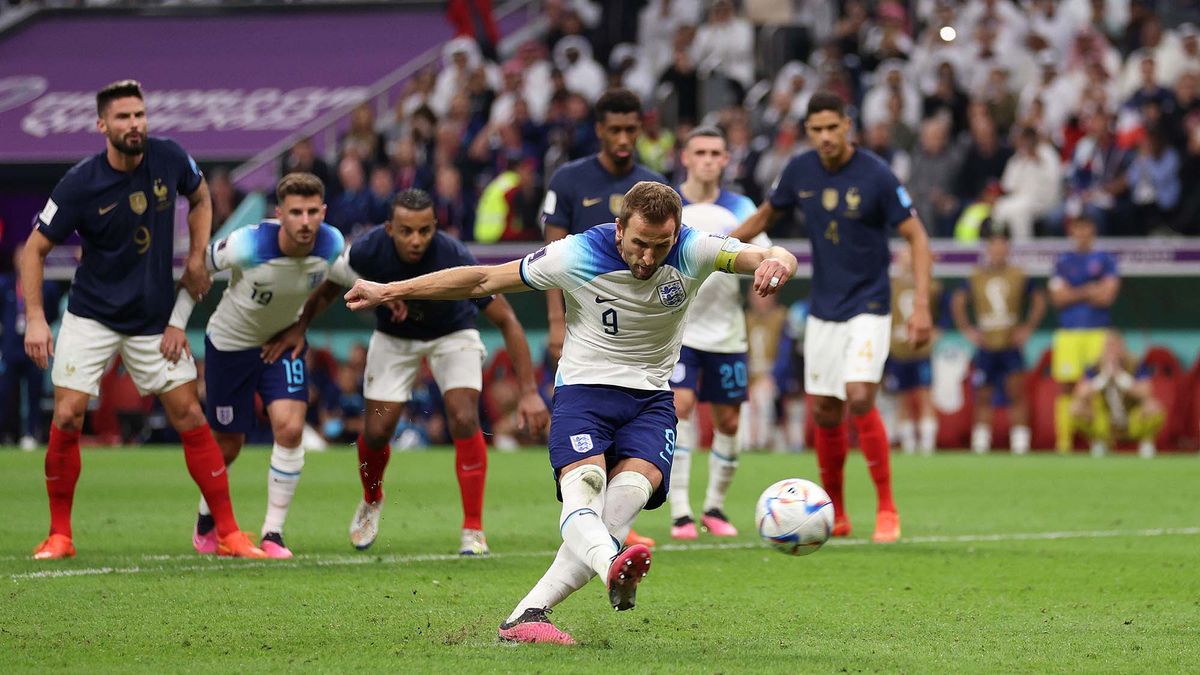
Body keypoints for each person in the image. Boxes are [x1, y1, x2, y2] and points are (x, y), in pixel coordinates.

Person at [342, 181, 798, 645]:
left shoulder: (693, 248)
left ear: (676, 233)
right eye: (639, 243)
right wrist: (388, 290)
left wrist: (779, 261)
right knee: (588, 491)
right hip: (585, 393)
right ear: (619, 229)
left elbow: (769, 254)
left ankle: (526, 615)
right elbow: (482, 279)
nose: (647, 257)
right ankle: (610, 567)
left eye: (660, 245)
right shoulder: (575, 253)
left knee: (625, 504)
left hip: (651, 399)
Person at [20, 80, 265, 559]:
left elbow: (199, 198)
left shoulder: (169, 157)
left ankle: (229, 534)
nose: (134, 124)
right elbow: (34, 249)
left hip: (153, 320)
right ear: (102, 125)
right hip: (91, 316)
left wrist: (197, 255)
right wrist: (34, 317)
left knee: (190, 414)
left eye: (139, 115)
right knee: (68, 414)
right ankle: (60, 536)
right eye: (123, 117)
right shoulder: (80, 183)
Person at [265, 188, 549, 556]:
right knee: (378, 430)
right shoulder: (367, 250)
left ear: (435, 227)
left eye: (424, 231)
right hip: (394, 339)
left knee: (464, 415)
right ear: (388, 228)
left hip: (453, 334)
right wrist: (298, 327)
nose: (416, 240)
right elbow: (331, 288)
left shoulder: (454, 256)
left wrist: (528, 391)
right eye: (406, 231)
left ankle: (473, 529)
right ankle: (371, 498)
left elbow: (508, 321)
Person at [730, 91, 933, 543]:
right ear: (808, 132)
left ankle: (886, 507)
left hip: (870, 304)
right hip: (824, 308)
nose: (824, 137)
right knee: (825, 408)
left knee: (859, 395)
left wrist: (920, 305)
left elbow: (916, 237)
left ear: (848, 126)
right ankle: (836, 512)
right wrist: (711, 250)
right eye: (816, 130)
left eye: (831, 128)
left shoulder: (877, 175)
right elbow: (765, 215)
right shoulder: (800, 171)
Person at [169, 173, 344, 559]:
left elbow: (342, 279)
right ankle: (205, 519)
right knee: (229, 445)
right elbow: (197, 272)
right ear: (279, 214)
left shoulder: (332, 243)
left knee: (291, 426)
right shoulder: (247, 244)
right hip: (229, 346)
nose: (305, 221)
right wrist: (176, 325)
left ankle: (273, 533)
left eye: (312, 211)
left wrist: (301, 324)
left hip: (280, 345)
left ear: (323, 212)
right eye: (295, 212)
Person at [540, 86, 666, 549]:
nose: (623, 138)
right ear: (599, 130)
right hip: (584, 330)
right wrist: (555, 323)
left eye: (631, 129)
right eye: (615, 129)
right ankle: (593, 520)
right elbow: (550, 257)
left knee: (631, 434)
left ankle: (610, 524)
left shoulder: (653, 185)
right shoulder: (570, 180)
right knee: (584, 423)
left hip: (639, 334)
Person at [665, 127, 764, 540]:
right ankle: (682, 511)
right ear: (684, 157)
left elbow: (764, 253)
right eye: (700, 152)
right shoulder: (669, 203)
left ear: (726, 160)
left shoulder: (742, 207)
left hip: (727, 331)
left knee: (728, 419)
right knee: (681, 407)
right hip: (680, 329)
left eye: (716, 153)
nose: (707, 159)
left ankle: (715, 507)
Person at [950, 221, 1046, 455]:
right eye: (993, 244)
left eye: (1002, 244)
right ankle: (981, 443)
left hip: (1010, 344)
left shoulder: (1018, 274)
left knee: (1016, 393)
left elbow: (1039, 300)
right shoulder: (976, 276)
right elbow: (958, 302)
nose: (998, 249)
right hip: (986, 345)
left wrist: (1027, 328)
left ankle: (1020, 444)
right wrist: (968, 330)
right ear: (987, 247)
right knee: (983, 395)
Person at [1049, 214, 1119, 454]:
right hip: (1069, 334)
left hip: (1097, 333)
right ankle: (1065, 442)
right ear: (1071, 231)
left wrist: (1074, 292)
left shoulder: (1105, 259)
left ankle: (1100, 441)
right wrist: (1090, 289)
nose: (1081, 233)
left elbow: (1108, 296)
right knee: (1067, 387)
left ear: (1093, 230)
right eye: (1077, 228)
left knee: (1099, 386)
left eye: (1085, 227)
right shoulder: (1063, 262)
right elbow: (1058, 298)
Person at [1, 244, 61, 451]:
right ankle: (8, 433)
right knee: (7, 392)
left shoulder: (47, 287)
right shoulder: (5, 284)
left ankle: (32, 433)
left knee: (35, 393)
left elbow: (53, 312)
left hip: (37, 347)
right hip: (11, 347)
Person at [884, 244, 942, 455]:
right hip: (898, 349)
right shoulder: (889, 285)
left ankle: (927, 444)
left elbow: (941, 312)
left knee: (925, 395)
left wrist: (936, 331)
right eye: (903, 256)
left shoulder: (928, 285)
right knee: (902, 398)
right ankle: (909, 444)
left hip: (921, 350)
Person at [1071, 331, 1164, 458]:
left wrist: (1121, 378)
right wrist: (1102, 378)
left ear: (1123, 347)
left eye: (1115, 346)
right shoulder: (1095, 366)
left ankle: (1146, 442)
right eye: (1108, 346)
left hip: (1131, 417)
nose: (1112, 351)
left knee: (1154, 407)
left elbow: (1146, 391)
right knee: (1076, 408)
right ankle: (1099, 441)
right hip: (1105, 419)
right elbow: (1080, 393)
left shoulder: (1135, 364)